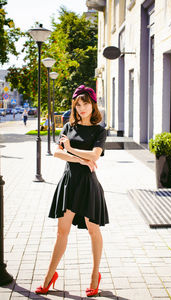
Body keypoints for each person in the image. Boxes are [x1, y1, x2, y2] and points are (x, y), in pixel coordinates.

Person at [35, 85, 109, 297]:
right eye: (78, 104)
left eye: (85, 103)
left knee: (93, 230)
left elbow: (95, 156)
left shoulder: (99, 130)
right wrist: (79, 159)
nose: (81, 108)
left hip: (88, 184)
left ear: (92, 104)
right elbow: (58, 154)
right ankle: (49, 276)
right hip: (69, 183)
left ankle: (95, 275)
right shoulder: (68, 127)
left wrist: (72, 150)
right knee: (61, 232)